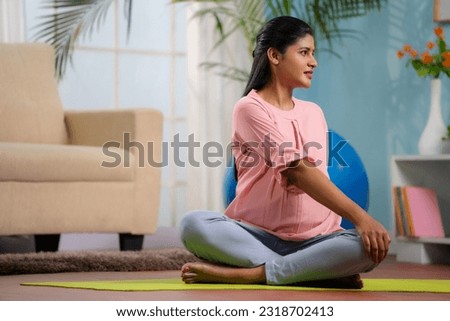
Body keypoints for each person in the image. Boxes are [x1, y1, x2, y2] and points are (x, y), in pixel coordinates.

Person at [179, 16, 390, 288]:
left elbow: (309, 174)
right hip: (256, 234)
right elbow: (297, 171)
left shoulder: (313, 113)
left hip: (318, 239)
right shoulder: (249, 108)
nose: (313, 62)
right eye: (304, 52)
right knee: (192, 225)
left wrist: (363, 227)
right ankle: (312, 271)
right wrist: (362, 217)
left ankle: (255, 273)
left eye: (313, 53)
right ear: (274, 55)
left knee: (367, 245)